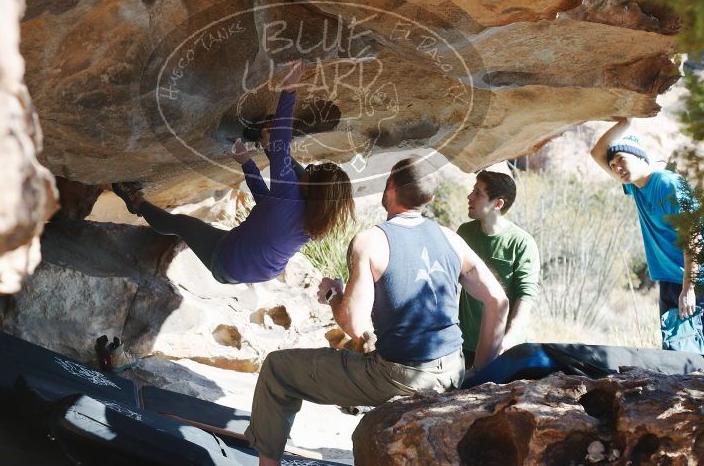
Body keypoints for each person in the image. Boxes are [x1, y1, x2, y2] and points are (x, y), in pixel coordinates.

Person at [244, 157, 509, 465]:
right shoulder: (450, 239)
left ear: (391, 186)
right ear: (430, 198)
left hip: (398, 375)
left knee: (278, 369)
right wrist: (478, 376)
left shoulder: (370, 241)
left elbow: (354, 324)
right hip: (452, 370)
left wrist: (333, 294)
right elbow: (498, 302)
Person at [112, 60, 355, 284]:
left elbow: (282, 146)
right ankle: (265, 140)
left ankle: (136, 201)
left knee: (182, 224)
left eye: (311, 172)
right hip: (259, 268)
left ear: (312, 188)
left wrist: (290, 87)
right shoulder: (315, 220)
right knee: (280, 169)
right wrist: (246, 161)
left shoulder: (290, 194)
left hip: (228, 262)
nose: (308, 170)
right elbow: (267, 204)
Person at [590, 118, 704, 372]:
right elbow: (596, 152)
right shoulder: (634, 188)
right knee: (675, 358)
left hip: (698, 281)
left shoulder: (668, 184)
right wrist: (624, 121)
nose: (616, 168)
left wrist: (689, 288)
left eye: (622, 160)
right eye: (613, 165)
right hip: (670, 282)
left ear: (640, 157)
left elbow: (693, 236)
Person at [458, 170, 540, 370]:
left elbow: (526, 296)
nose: (470, 197)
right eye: (472, 191)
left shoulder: (522, 243)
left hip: (502, 348)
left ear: (498, 203)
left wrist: (509, 339)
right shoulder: (464, 233)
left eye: (478, 193)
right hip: (464, 344)